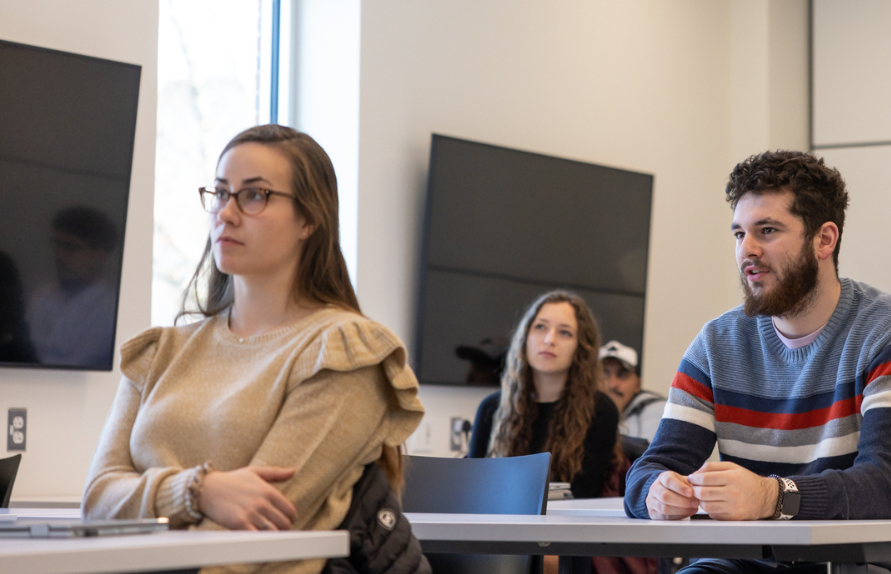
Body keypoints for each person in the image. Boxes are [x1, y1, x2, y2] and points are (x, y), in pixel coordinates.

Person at [82, 125, 427, 574]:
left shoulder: (344, 352)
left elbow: (249, 539)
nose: (225, 213)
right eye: (221, 193)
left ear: (309, 219)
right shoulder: (162, 352)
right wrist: (199, 490)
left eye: (254, 195)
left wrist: (150, 500)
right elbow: (98, 500)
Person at [624, 151, 891, 574]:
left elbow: (884, 488)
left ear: (825, 240)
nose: (746, 251)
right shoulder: (717, 342)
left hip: (865, 563)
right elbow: (650, 467)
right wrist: (655, 493)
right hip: (752, 561)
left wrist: (771, 497)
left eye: (767, 231)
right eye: (739, 234)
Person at [469, 291, 620, 500]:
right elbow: (473, 488)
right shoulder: (491, 408)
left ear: (581, 347)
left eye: (564, 332)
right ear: (525, 336)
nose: (549, 340)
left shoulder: (600, 410)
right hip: (496, 526)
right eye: (540, 327)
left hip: (564, 529)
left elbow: (583, 494)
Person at [28, 206, 119, 367]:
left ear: (100, 255)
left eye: (71, 247)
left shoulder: (109, 308)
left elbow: (74, 365)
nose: (59, 255)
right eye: (57, 245)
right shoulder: (44, 295)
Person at [600, 340, 665, 441]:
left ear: (637, 384)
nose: (612, 384)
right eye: (604, 374)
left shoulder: (660, 415)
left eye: (622, 375)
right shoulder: (579, 413)